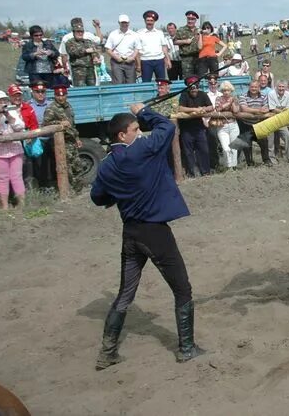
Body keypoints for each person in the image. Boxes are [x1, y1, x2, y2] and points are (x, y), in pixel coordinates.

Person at [91, 103, 204, 369]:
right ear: (122, 135)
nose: (140, 132)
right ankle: (186, 348)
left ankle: (107, 353)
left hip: (130, 233)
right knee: (182, 289)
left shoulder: (107, 165)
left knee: (125, 293)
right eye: (135, 129)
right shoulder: (142, 150)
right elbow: (167, 126)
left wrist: (118, 194)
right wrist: (144, 110)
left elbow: (98, 197)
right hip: (155, 232)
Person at [41, 85, 83, 187]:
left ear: (66, 95)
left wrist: (77, 138)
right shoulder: (51, 108)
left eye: (63, 95)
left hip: (71, 141)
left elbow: (72, 124)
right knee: (66, 167)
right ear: (55, 96)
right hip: (60, 142)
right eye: (58, 95)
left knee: (77, 165)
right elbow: (45, 124)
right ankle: (69, 189)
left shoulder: (68, 106)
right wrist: (60, 123)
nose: (61, 98)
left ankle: (78, 188)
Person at [0, 90, 26, 209]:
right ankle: (5, 206)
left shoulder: (12, 111)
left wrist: (7, 115)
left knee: (17, 176)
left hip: (15, 148)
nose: (2, 102)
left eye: (4, 99)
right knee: (2, 178)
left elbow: (20, 126)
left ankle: (22, 204)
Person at [177, 76, 213, 176]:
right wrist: (195, 110)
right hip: (186, 128)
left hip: (199, 127)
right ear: (188, 87)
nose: (194, 89)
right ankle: (192, 172)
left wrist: (203, 109)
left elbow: (211, 106)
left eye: (196, 87)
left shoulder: (203, 94)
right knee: (188, 151)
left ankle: (205, 171)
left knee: (203, 149)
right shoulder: (184, 95)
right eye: (192, 88)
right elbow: (180, 108)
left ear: (198, 86)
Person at [28, 81, 54, 186]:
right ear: (33, 92)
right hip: (37, 140)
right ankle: (43, 185)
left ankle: (54, 183)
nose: (40, 94)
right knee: (40, 164)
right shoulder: (29, 106)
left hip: (52, 138)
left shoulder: (51, 105)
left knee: (54, 162)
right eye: (37, 91)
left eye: (43, 91)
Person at [210, 80, 240, 170]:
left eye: (228, 90)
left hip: (233, 125)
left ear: (231, 90)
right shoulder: (218, 98)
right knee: (226, 148)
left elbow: (235, 111)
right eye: (224, 90)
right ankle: (228, 165)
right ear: (222, 91)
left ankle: (233, 166)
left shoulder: (234, 98)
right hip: (222, 126)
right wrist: (228, 103)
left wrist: (232, 102)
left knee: (234, 147)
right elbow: (218, 109)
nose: (226, 92)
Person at [105, 14, 141, 84]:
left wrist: (132, 57)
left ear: (129, 23)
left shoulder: (134, 34)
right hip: (117, 62)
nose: (124, 24)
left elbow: (137, 48)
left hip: (130, 62)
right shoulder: (113, 34)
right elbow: (107, 49)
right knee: (118, 83)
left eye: (126, 22)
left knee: (131, 83)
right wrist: (116, 58)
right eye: (123, 22)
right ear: (119, 23)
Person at [266, 80, 289, 162]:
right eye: (279, 86)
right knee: (280, 136)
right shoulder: (271, 94)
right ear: (276, 87)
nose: (281, 88)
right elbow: (272, 109)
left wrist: (280, 110)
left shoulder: (288, 94)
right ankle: (275, 158)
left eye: (283, 87)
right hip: (274, 119)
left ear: (286, 87)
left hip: (284, 119)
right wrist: (283, 110)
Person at [137, 10, 171, 83]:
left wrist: (168, 60)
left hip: (159, 60)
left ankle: (162, 95)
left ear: (154, 21)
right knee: (146, 83)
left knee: (162, 82)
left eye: (151, 20)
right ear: (145, 21)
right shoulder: (139, 33)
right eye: (148, 20)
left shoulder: (159, 33)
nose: (149, 22)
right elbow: (137, 50)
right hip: (145, 61)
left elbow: (164, 47)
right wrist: (138, 65)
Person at [65, 20, 102, 87]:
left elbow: (94, 51)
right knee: (80, 90)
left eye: (81, 32)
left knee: (92, 88)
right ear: (74, 32)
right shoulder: (70, 42)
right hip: (78, 70)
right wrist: (85, 51)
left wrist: (95, 57)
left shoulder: (88, 41)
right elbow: (72, 52)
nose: (80, 33)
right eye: (78, 32)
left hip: (90, 69)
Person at [174, 11, 201, 78]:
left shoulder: (199, 30)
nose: (190, 21)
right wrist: (185, 41)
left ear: (195, 20)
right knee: (188, 78)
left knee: (199, 78)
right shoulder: (181, 30)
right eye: (189, 19)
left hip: (198, 58)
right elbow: (175, 41)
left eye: (192, 19)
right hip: (186, 59)